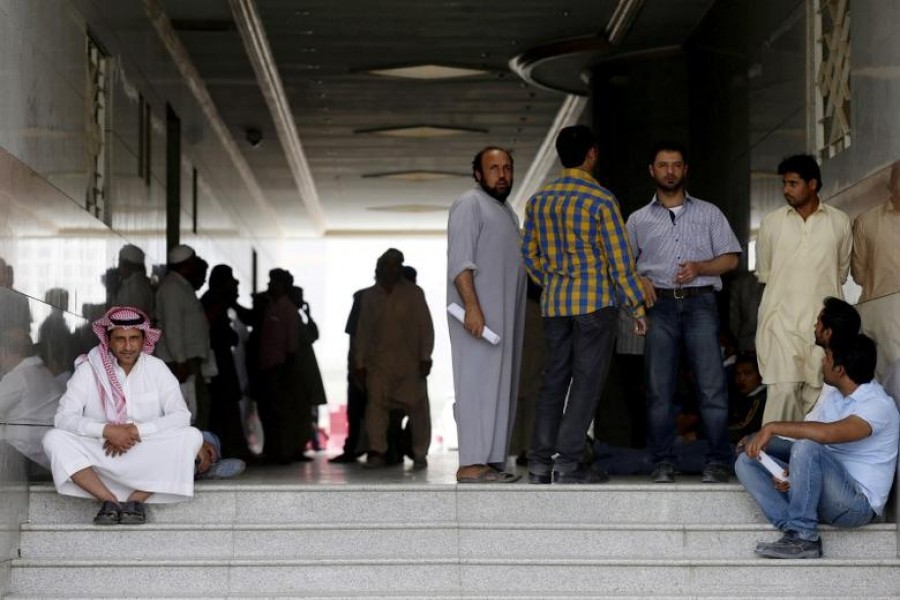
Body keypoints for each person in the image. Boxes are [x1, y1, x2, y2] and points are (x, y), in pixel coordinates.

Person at [521, 126, 646, 485]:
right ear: (591, 154)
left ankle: (540, 462)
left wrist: (552, 281)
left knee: (553, 381)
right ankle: (569, 462)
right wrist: (636, 307)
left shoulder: (538, 200)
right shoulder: (601, 200)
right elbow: (620, 262)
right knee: (586, 383)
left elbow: (528, 253)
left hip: (555, 306)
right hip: (594, 303)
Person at [626, 141, 741, 484]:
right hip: (659, 306)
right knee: (659, 389)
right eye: (663, 165)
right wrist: (637, 282)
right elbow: (622, 267)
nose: (670, 171)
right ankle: (662, 461)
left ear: (685, 169)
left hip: (701, 303)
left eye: (676, 164)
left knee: (712, 386)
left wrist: (702, 267)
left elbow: (732, 258)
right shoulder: (637, 219)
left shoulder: (709, 213)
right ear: (652, 170)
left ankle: (718, 460)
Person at [735, 334, 899, 559]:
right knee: (747, 459)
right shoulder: (835, 396)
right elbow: (810, 439)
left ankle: (804, 537)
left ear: (840, 369)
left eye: (827, 358)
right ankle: (792, 528)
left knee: (806, 447)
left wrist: (772, 426)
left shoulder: (877, 405)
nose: (822, 363)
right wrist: (794, 469)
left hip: (854, 504)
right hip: (827, 484)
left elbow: (825, 435)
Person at [42, 307, 203, 525]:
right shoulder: (89, 370)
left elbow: (181, 416)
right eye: (120, 339)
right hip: (101, 456)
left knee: (191, 436)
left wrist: (135, 431)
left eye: (134, 338)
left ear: (144, 338)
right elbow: (63, 418)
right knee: (53, 439)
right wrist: (107, 430)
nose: (128, 347)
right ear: (107, 339)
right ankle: (109, 501)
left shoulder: (157, 369)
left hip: (146, 453)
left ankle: (135, 501)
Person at [448, 147, 526, 484]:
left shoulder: (506, 210)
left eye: (507, 168)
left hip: (503, 318)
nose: (502, 174)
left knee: (499, 386)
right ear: (477, 174)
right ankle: (470, 463)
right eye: (493, 168)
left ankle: (491, 461)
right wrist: (473, 308)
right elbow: (460, 263)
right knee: (476, 386)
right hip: (477, 318)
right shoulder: (470, 203)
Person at [756, 155, 852, 424]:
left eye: (793, 183)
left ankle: (811, 463)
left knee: (820, 395)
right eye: (785, 183)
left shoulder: (839, 221)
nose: (786, 189)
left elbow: (841, 272)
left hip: (823, 326)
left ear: (812, 184)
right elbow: (765, 275)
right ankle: (771, 463)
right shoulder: (771, 223)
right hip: (781, 325)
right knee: (783, 393)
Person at [355, 249, 434, 469]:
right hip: (378, 365)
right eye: (386, 265)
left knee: (418, 410)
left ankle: (420, 453)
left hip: (410, 364)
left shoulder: (414, 294)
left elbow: (425, 327)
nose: (390, 270)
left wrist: (425, 356)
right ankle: (377, 451)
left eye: (394, 265)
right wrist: (359, 364)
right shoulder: (370, 297)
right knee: (376, 408)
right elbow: (363, 332)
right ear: (379, 268)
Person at [852, 160, 900, 380]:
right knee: (884, 379)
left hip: (880, 309)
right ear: (891, 184)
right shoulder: (867, 221)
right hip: (879, 315)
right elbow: (859, 274)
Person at [155, 245, 211, 428]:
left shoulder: (182, 286)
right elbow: (172, 327)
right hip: (179, 362)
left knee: (196, 406)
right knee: (189, 409)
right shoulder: (172, 288)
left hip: (186, 361)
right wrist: (180, 361)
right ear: (186, 264)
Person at [0, 328, 65, 468]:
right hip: (42, 454)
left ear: (5, 351)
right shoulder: (42, 372)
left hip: (24, 455)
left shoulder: (17, 377)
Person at [113, 244, 155, 320]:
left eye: (119, 262)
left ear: (128, 266)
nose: (118, 267)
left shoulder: (135, 289)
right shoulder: (138, 283)